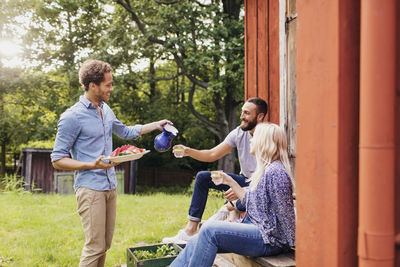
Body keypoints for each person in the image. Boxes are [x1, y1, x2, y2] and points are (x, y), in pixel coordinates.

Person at [50, 59, 171, 267]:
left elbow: (125, 131)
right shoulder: (72, 117)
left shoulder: (105, 109)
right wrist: (92, 165)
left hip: (109, 185)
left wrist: (155, 125)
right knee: (94, 246)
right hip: (90, 187)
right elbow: (57, 160)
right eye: (108, 84)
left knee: (104, 245)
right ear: (92, 85)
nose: (111, 88)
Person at [169, 123, 296, 267]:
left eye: (254, 137)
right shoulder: (266, 170)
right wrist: (229, 181)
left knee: (209, 230)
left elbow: (286, 214)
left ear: (263, 141)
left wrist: (290, 244)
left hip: (269, 240)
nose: (250, 141)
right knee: (194, 241)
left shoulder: (276, 172)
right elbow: (252, 203)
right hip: (259, 232)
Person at [162, 97, 268, 243]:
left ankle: (221, 219)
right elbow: (212, 154)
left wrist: (243, 190)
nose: (242, 116)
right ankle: (191, 230)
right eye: (242, 112)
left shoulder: (269, 137)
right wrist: (188, 151)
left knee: (234, 206)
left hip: (259, 186)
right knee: (202, 177)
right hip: (244, 179)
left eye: (247, 113)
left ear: (260, 116)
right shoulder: (238, 133)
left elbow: (270, 178)